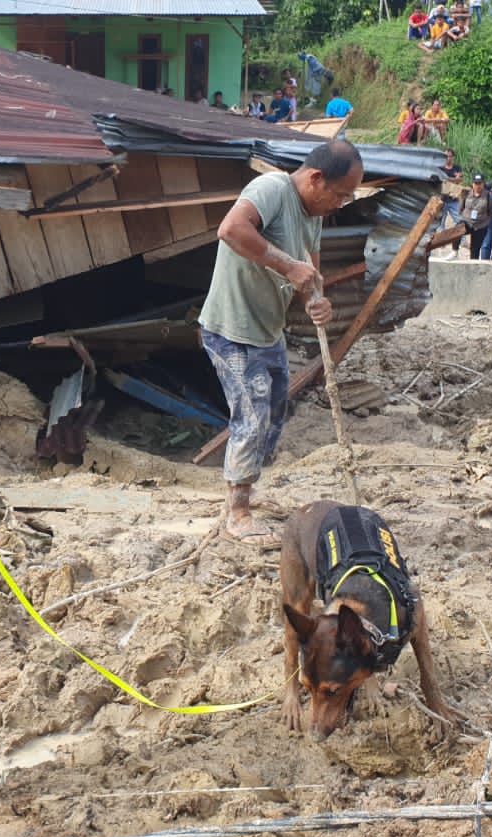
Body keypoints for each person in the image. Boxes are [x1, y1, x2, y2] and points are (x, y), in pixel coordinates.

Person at [199, 141, 360, 546]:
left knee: (273, 411)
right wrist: (287, 265)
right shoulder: (272, 189)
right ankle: (237, 514)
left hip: (267, 331)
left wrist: (316, 301)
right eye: (339, 194)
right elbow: (231, 230)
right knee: (250, 417)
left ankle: (244, 489)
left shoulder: (315, 215)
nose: (340, 204)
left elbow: (312, 276)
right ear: (316, 178)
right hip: (231, 329)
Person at [462, 173, 492, 260]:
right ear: (472, 184)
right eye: (476, 183)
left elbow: (491, 212)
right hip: (467, 222)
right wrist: (466, 217)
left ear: (483, 184)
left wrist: (485, 222)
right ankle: (455, 251)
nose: (478, 186)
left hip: (481, 226)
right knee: (456, 231)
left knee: (475, 249)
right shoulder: (466, 193)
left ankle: (473, 267)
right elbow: (461, 208)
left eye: (480, 183)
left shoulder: (488, 196)